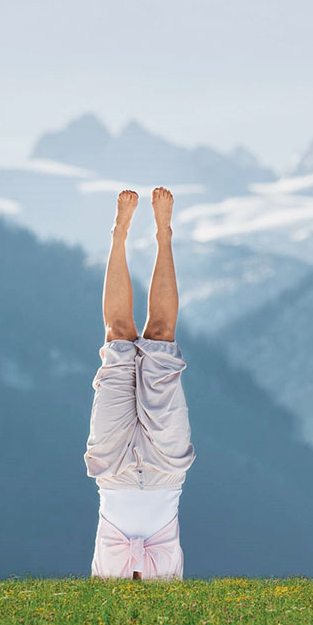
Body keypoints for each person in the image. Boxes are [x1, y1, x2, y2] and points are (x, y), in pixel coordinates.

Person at [83, 187, 196, 580]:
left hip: (112, 470)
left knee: (118, 338)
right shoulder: (171, 600)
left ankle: (119, 235)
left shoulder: (101, 595)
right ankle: (164, 234)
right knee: (161, 338)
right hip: (167, 469)